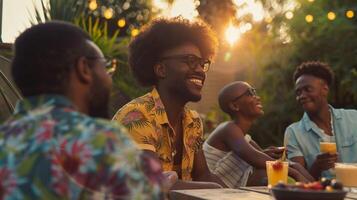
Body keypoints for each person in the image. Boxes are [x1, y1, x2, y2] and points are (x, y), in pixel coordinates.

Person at [0, 21, 167, 199]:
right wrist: (158, 185)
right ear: (84, 68)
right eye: (106, 67)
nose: (109, 79)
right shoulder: (103, 141)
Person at [113, 17, 225, 189]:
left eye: (202, 64)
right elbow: (153, 185)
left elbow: (203, 175)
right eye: (190, 61)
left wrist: (235, 193)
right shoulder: (136, 117)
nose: (200, 70)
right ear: (161, 69)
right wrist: (216, 191)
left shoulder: (192, 121)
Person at [204, 81, 314, 188]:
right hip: (214, 188)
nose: (258, 97)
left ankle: (320, 190)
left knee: (294, 166)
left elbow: (260, 156)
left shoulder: (245, 138)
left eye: (254, 92)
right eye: (250, 93)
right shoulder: (228, 129)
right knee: (276, 175)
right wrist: (295, 174)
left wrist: (267, 153)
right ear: (234, 106)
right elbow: (255, 158)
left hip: (233, 184)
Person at [284, 61, 357, 179]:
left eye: (308, 89)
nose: (302, 96)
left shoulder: (354, 118)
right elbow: (299, 180)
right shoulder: (293, 133)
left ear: (325, 89)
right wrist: (317, 166)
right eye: (298, 92)